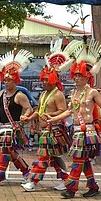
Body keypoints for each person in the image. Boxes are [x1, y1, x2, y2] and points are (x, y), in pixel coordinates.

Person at [47, 38, 101, 199]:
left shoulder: (92, 92)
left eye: (80, 75)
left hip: (88, 131)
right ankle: (93, 187)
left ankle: (71, 189)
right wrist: (54, 118)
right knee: (83, 161)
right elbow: (69, 112)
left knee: (78, 160)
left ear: (87, 77)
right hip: (77, 131)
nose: (77, 78)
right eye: (75, 75)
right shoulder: (74, 94)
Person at [21, 38, 71, 192]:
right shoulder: (43, 94)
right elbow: (40, 111)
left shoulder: (58, 94)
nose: (43, 82)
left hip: (53, 130)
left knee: (43, 158)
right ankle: (66, 180)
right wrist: (29, 118)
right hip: (45, 131)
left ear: (53, 80)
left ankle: (33, 182)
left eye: (46, 80)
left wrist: (51, 116)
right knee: (54, 158)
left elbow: (63, 112)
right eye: (43, 80)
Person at [0, 49, 34, 187]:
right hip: (3, 128)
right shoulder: (2, 94)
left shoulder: (20, 95)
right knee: (10, 153)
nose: (6, 82)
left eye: (9, 80)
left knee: (5, 152)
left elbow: (29, 108)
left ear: (15, 80)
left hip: (13, 129)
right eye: (5, 80)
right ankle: (27, 172)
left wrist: (25, 115)